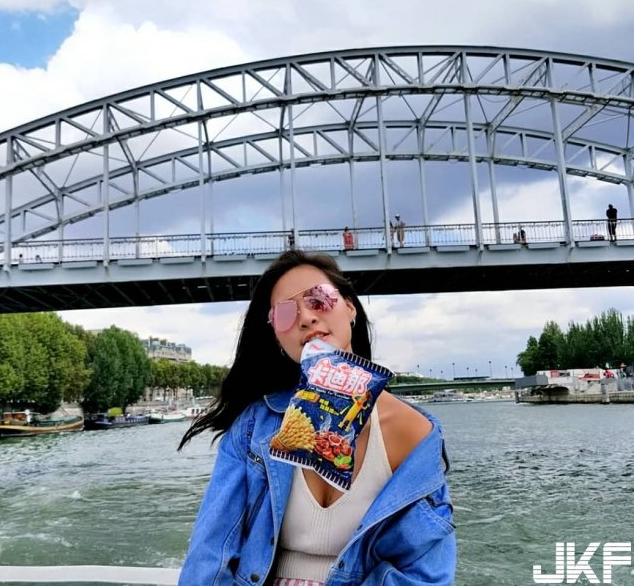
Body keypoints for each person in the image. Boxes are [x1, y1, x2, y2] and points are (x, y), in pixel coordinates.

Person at [177, 249, 456, 586]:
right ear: (276, 336)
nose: (306, 317)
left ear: (349, 308)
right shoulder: (254, 427)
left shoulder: (414, 432)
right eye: (285, 314)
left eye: (319, 299)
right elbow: (209, 553)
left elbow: (425, 572)